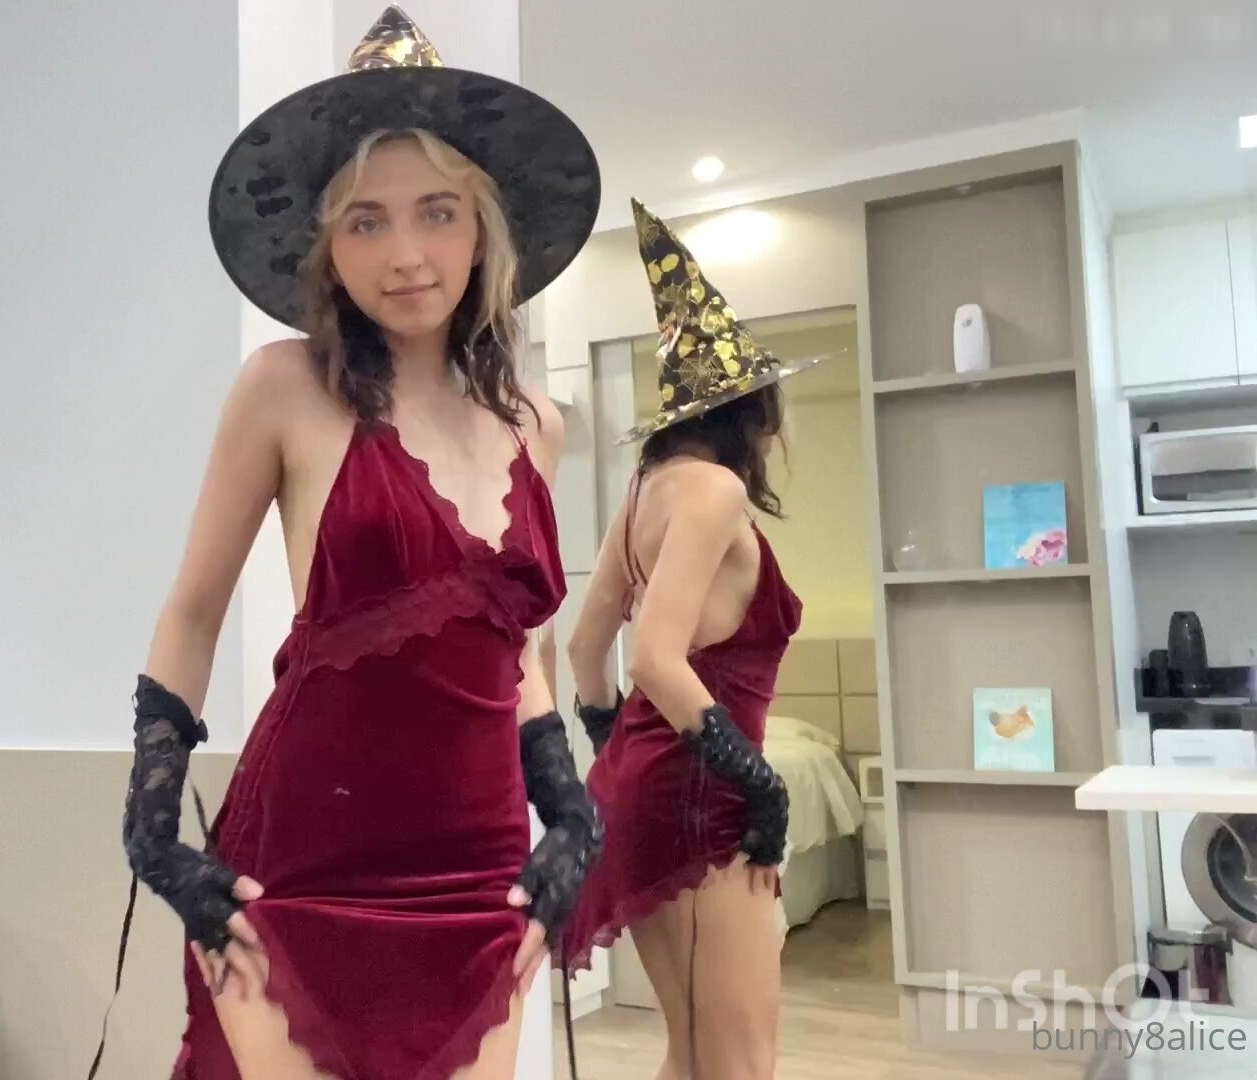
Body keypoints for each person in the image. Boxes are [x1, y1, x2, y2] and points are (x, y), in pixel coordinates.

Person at [111, 7, 603, 1079]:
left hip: (477, 866)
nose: (406, 254)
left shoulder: (537, 425)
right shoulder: (284, 389)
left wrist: (570, 813)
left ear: (483, 230)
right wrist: (152, 825)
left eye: (438, 213)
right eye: (367, 222)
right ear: (330, 248)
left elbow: (517, 649)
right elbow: (192, 612)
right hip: (304, 858)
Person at [558, 199, 832, 1080]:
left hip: (648, 790)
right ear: (753, 411)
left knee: (694, 1050)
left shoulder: (646, 491)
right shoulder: (715, 492)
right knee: (740, 1061)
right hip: (705, 803)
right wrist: (760, 784)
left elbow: (584, 650)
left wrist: (622, 753)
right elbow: (652, 657)